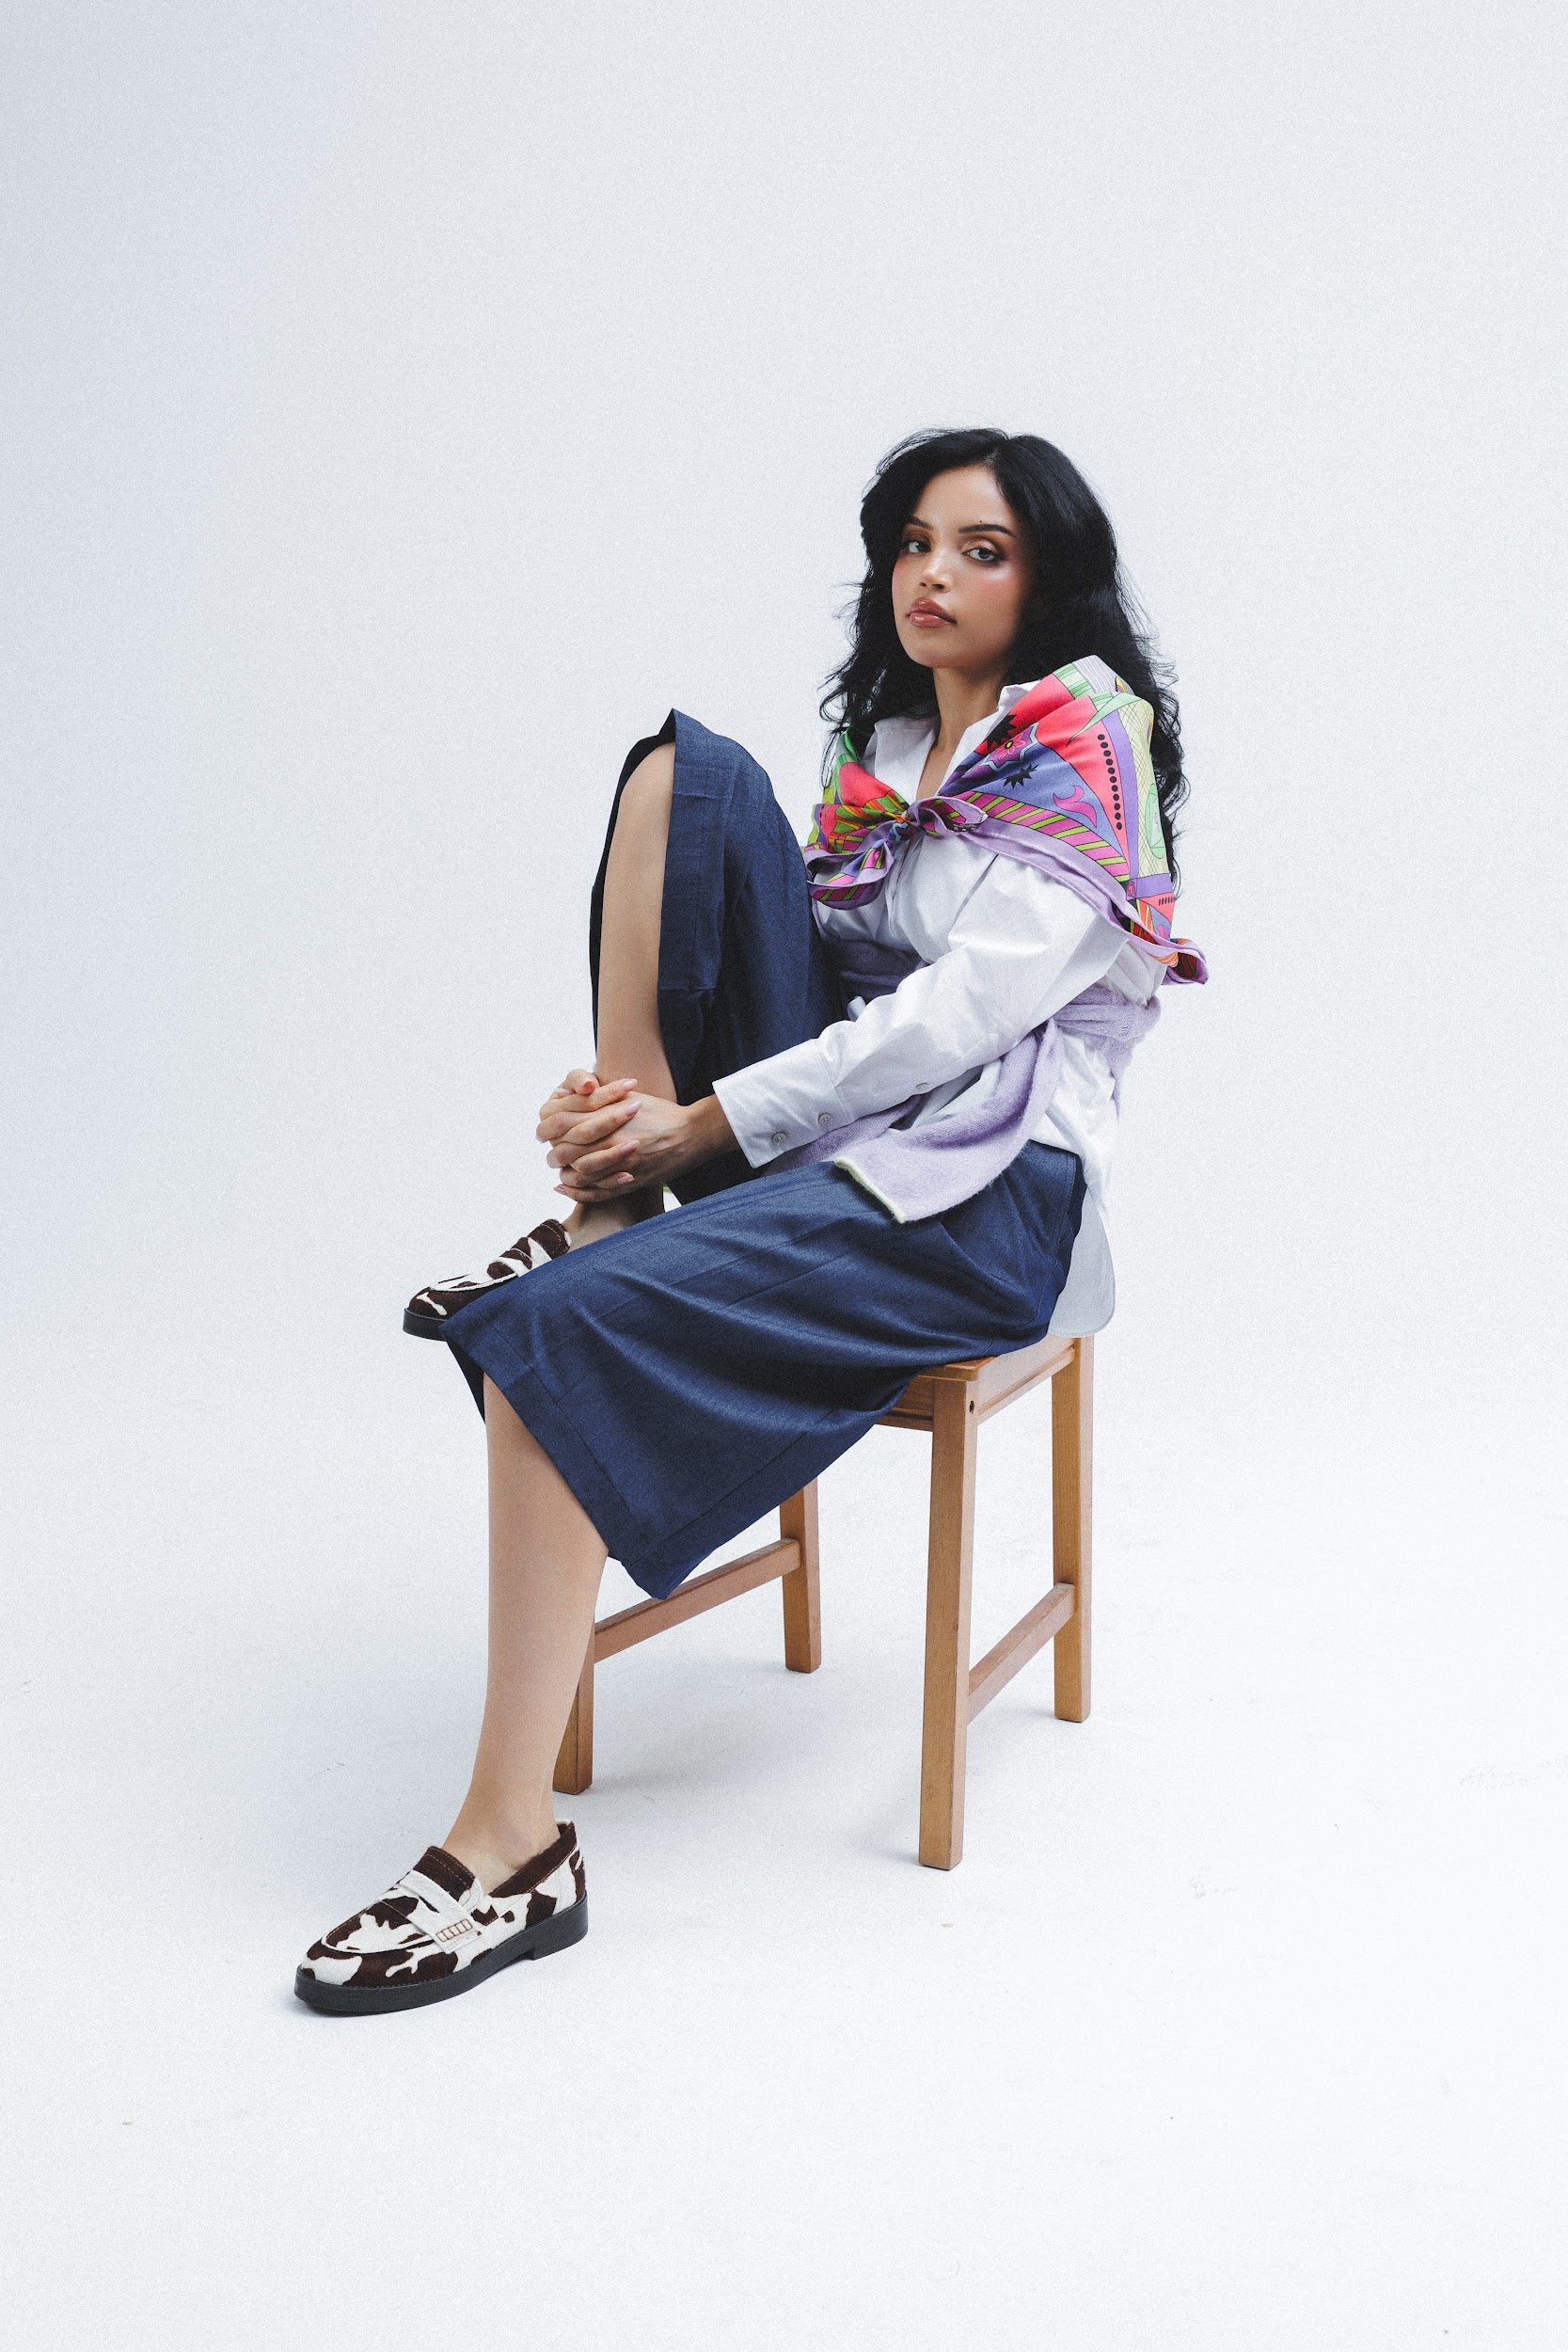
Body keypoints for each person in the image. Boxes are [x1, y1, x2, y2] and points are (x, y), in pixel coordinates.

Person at [293, 427, 1205, 2015]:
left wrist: (707, 1122)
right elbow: (793, 972)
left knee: (543, 1338)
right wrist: (643, 1121)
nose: (932, 574)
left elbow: (950, 1031)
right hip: (832, 1150)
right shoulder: (894, 758)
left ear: (1048, 577)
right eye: (914, 542)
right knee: (686, 775)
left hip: (982, 1197)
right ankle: (610, 1199)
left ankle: (509, 1850)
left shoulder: (1085, 752)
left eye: (980, 550)